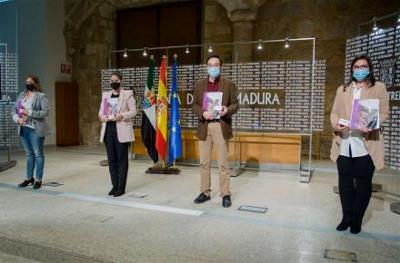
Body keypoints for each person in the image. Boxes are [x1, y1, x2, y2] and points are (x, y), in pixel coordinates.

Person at [330, 54, 389, 234]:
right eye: (356, 66)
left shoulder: (378, 87)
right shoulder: (343, 89)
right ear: (352, 69)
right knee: (345, 185)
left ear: (369, 68)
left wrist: (371, 124)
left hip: (366, 146)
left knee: (363, 185)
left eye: (363, 66)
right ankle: (346, 217)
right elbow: (334, 113)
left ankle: (357, 219)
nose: (360, 69)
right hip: (345, 145)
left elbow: (384, 112)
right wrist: (336, 125)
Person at [192, 55, 239, 208]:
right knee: (204, 163)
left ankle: (225, 194)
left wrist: (227, 110)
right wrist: (202, 113)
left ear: (220, 67)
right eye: (210, 65)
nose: (213, 67)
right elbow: (195, 105)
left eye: (216, 65)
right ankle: (205, 192)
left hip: (221, 125)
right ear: (207, 67)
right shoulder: (199, 85)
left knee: (223, 164)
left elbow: (235, 104)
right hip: (205, 126)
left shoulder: (229, 84)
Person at [99, 72, 137, 197]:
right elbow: (101, 113)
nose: (113, 82)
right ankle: (114, 185)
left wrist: (122, 115)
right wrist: (103, 117)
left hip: (121, 130)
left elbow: (133, 112)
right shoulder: (106, 95)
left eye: (116, 80)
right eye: (112, 80)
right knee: (112, 160)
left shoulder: (127, 94)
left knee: (122, 160)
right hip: (108, 131)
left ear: (120, 81)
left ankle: (121, 187)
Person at [12, 75, 50, 189]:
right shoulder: (21, 95)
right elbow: (14, 109)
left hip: (35, 129)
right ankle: (28, 178)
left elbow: (45, 112)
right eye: (26, 82)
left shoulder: (41, 96)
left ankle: (38, 180)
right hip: (23, 128)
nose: (27, 83)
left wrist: (30, 112)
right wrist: (17, 119)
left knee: (38, 154)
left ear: (35, 83)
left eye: (30, 82)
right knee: (29, 155)